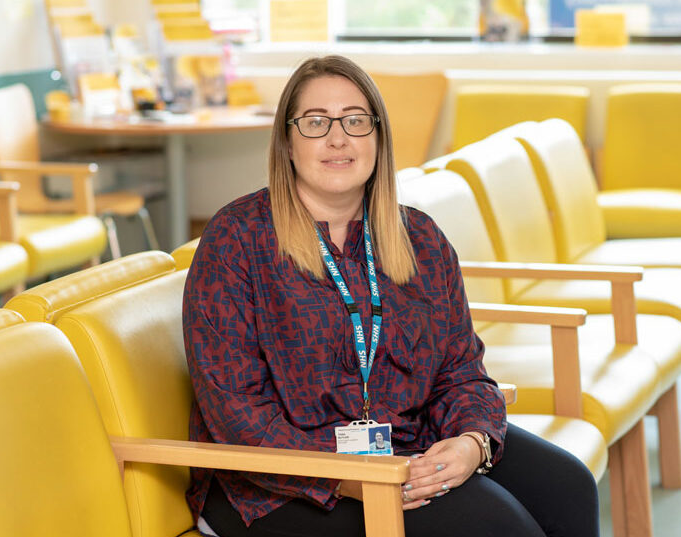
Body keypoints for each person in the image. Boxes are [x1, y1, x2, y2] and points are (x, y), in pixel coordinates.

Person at [183, 55, 599, 537]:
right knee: (498, 526)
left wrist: (472, 442)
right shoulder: (237, 239)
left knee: (569, 486)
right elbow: (237, 413)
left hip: (402, 449)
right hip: (276, 483)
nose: (338, 138)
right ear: (287, 142)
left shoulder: (419, 236)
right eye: (316, 123)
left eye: (356, 121)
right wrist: (360, 477)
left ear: (378, 137)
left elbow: (461, 370)